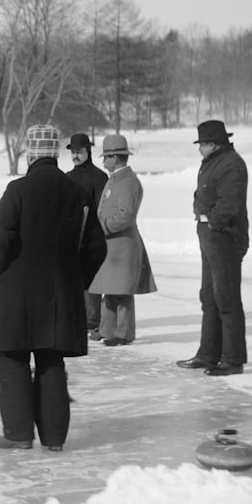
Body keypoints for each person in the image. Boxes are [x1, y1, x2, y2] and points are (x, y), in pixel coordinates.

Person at [0, 125, 107, 451]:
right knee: (51, 361)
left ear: (31, 154)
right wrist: (77, 281)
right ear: (54, 153)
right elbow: (96, 248)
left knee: (13, 358)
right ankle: (53, 440)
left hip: (15, 295)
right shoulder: (76, 192)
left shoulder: (17, 190)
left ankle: (19, 434)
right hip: (59, 297)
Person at [177, 120, 249, 376]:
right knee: (209, 297)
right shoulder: (213, 162)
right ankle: (208, 354)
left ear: (213, 144)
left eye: (202, 144)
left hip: (224, 238)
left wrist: (213, 222)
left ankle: (233, 359)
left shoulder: (231, 163)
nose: (199, 149)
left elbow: (230, 203)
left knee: (226, 298)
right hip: (210, 236)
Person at [87, 134, 157, 346]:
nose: (103, 162)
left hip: (122, 245)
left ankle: (123, 332)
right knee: (109, 288)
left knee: (122, 291)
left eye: (106, 157)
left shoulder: (128, 182)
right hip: (111, 247)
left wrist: (104, 227)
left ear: (115, 158)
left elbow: (126, 214)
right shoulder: (116, 179)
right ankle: (107, 329)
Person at [65, 133, 107, 337]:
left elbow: (102, 207)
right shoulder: (68, 177)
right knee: (75, 279)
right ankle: (80, 317)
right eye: (73, 152)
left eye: (79, 151)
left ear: (88, 152)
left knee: (92, 279)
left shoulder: (98, 177)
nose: (75, 155)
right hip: (73, 235)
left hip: (93, 236)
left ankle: (93, 320)